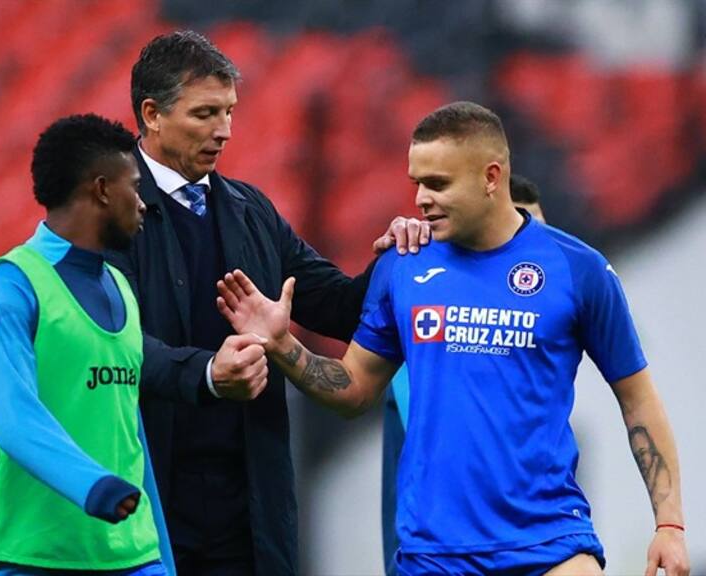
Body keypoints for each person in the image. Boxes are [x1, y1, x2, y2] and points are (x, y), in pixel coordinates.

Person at [215, 102, 690, 576]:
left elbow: (638, 400)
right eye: (416, 183)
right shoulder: (404, 265)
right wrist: (283, 346)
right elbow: (354, 389)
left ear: (491, 177)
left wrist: (669, 525)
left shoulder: (578, 269)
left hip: (550, 545)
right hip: (434, 555)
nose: (421, 199)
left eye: (438, 184)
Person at [105, 30, 427, 576]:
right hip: (146, 503)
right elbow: (113, 348)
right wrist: (207, 373)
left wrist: (396, 259)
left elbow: (340, 308)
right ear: (152, 114)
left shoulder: (249, 210)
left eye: (229, 111)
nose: (224, 130)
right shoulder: (110, 215)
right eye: (206, 113)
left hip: (250, 509)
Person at [0, 114, 173, 574]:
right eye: (134, 187)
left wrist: (162, 553)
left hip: (134, 555)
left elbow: (128, 431)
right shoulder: (10, 284)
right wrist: (94, 485)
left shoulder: (121, 286)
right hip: (33, 555)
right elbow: (13, 417)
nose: (142, 204)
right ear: (101, 189)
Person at [380, 173, 547, 575]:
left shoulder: (539, 338)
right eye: (521, 234)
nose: (537, 251)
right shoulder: (424, 355)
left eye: (543, 235)